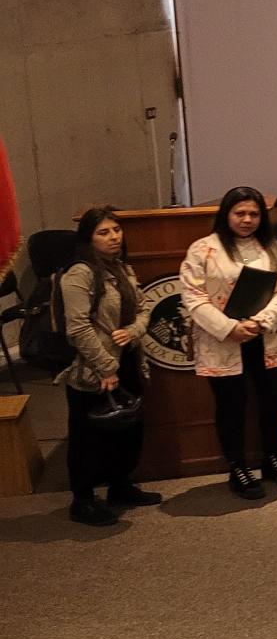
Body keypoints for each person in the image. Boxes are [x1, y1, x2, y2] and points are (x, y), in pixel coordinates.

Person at [181, 186, 277, 498]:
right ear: (226, 215)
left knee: (273, 400)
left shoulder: (274, 248)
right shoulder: (203, 250)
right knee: (232, 406)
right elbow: (193, 297)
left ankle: (273, 456)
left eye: (253, 214)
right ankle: (237, 465)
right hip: (223, 341)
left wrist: (260, 321)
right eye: (240, 213)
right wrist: (229, 327)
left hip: (267, 337)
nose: (247, 219)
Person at [58, 207, 156, 525]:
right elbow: (78, 328)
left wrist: (134, 331)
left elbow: (143, 309)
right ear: (88, 238)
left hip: (128, 357)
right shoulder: (79, 273)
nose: (114, 236)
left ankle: (120, 486)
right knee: (89, 435)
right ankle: (83, 499)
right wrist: (104, 367)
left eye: (116, 230)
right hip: (93, 368)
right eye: (104, 232)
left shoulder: (121, 268)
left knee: (126, 429)